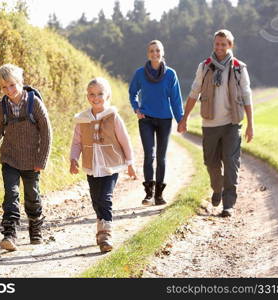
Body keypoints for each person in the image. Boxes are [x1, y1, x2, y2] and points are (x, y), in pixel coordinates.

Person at [178, 29, 254, 217]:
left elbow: (246, 95)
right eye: (217, 44)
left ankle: (228, 203)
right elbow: (194, 92)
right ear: (214, 44)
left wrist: (251, 124)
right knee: (211, 162)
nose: (220, 47)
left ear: (230, 45)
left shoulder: (239, 67)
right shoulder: (204, 67)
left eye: (224, 44)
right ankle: (217, 188)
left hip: (232, 123)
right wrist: (184, 117)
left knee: (230, 161)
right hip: (210, 124)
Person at [0, 63, 52, 251]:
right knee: (11, 194)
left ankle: (35, 228)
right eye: (4, 87)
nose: (9, 90)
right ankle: (9, 234)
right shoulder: (3, 106)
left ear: (20, 82)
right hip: (10, 158)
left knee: (32, 196)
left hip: (31, 160)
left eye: (12, 85)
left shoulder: (33, 103)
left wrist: (41, 159)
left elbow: (46, 132)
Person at [70, 77, 137, 253]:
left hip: (111, 165)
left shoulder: (113, 117)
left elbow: (124, 140)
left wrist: (130, 163)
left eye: (100, 93)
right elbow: (77, 142)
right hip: (92, 165)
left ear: (107, 95)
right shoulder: (82, 119)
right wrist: (73, 159)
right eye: (92, 94)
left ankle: (106, 233)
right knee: (95, 199)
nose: (96, 97)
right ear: (87, 97)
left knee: (105, 197)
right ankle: (101, 226)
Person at [129, 40, 184, 206]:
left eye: (158, 50)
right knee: (149, 155)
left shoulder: (170, 74)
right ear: (148, 54)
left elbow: (176, 99)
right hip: (146, 119)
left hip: (165, 120)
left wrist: (180, 120)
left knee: (161, 157)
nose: (155, 54)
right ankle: (148, 194)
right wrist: (136, 109)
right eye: (152, 51)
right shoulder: (140, 73)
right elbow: (132, 93)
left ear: (163, 53)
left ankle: (159, 195)